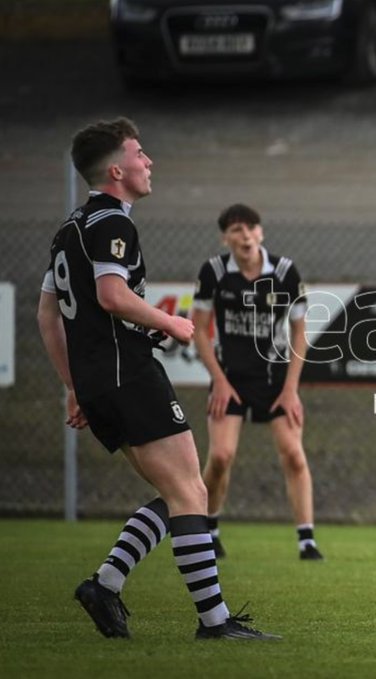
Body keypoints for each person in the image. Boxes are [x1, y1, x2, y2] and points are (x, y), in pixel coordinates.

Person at [38, 117, 276, 640]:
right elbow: (110, 295)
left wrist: (74, 385)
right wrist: (171, 321)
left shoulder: (68, 230)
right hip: (128, 372)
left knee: (181, 492)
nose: (150, 162)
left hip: (103, 379)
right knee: (192, 493)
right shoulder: (112, 222)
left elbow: (47, 316)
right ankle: (214, 623)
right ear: (117, 169)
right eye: (141, 154)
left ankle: (105, 584)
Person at [191, 204, 321, 561]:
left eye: (250, 228)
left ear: (261, 233)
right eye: (235, 230)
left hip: (274, 379)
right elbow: (199, 330)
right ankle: (210, 530)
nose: (244, 235)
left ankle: (306, 540)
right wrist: (218, 380)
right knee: (220, 455)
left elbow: (299, 333)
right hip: (229, 378)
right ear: (225, 238)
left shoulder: (284, 272)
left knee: (294, 454)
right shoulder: (215, 272)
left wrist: (291, 390)